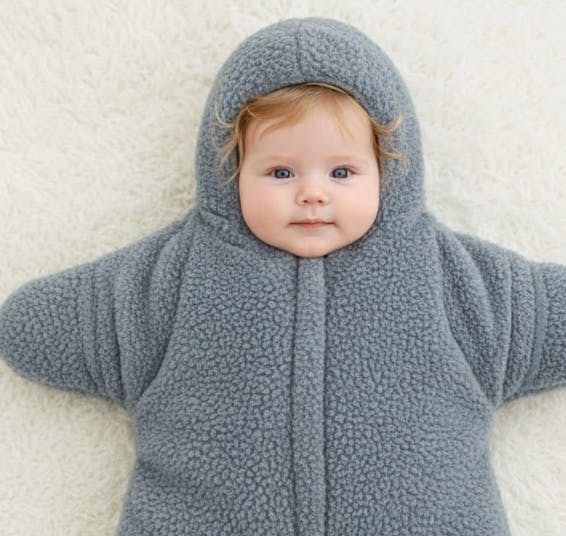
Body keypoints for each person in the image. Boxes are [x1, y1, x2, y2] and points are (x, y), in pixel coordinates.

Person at [0, 16, 565, 536]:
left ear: (389, 169)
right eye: (279, 172)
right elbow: (31, 327)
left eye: (342, 171)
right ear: (230, 172)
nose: (312, 192)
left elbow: (546, 317)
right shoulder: (168, 280)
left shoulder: (456, 281)